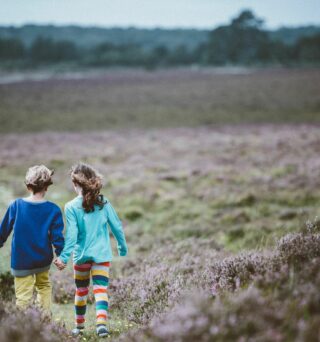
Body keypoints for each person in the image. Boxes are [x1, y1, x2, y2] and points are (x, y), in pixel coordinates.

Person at [55, 163, 128, 338]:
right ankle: (101, 325)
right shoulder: (103, 202)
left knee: (81, 290)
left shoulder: (71, 206)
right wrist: (122, 246)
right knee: (100, 289)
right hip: (102, 255)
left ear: (75, 184)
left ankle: (78, 327)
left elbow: (71, 236)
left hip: (81, 256)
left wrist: (64, 257)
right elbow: (117, 226)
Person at [0, 165, 64, 312]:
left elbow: (3, 231)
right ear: (47, 187)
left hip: (21, 261)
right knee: (44, 287)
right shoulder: (53, 209)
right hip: (43, 259)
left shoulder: (16, 206)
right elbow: (57, 237)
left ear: (28, 186)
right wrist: (61, 254)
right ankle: (45, 320)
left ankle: (23, 326)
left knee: (23, 296)